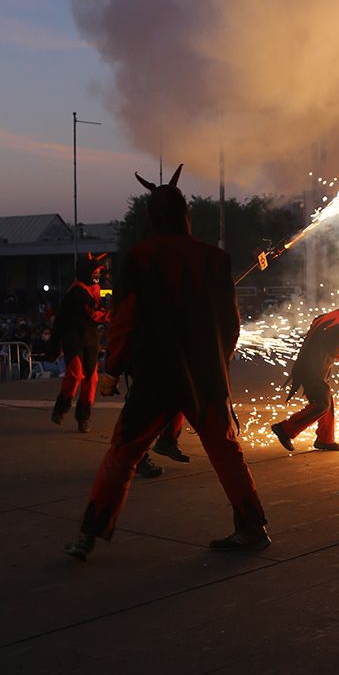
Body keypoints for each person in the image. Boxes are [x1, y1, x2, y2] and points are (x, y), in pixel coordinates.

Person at [66, 165, 268, 560]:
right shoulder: (216, 258)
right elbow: (231, 324)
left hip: (157, 373)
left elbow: (124, 318)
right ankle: (252, 526)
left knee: (123, 453)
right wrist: (217, 363)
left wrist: (113, 368)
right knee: (226, 452)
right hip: (204, 375)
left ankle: (89, 535)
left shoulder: (139, 258)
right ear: (185, 213)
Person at [270, 298, 339, 453]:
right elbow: (333, 350)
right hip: (312, 370)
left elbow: (325, 342)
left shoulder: (329, 317)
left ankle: (325, 439)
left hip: (309, 366)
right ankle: (285, 429)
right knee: (321, 404)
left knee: (326, 401)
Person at [49, 252, 110, 433]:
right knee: (75, 375)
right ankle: (61, 408)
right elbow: (94, 314)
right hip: (74, 339)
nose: (98, 276)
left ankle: (83, 417)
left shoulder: (95, 289)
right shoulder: (76, 291)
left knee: (91, 379)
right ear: (87, 272)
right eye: (95, 272)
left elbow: (98, 311)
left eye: (99, 272)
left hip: (90, 339)